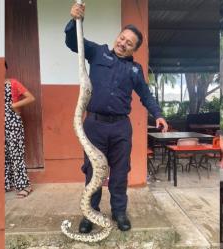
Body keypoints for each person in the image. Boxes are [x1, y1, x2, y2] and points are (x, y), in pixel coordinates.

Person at [66, 3, 168, 233]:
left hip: (121, 127)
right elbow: (74, 43)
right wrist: (74, 22)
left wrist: (158, 114)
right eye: (122, 38)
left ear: (134, 50)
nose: (122, 43)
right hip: (95, 125)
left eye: (129, 43)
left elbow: (145, 95)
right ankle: (90, 214)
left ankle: (119, 212)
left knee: (120, 173)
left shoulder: (135, 71)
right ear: (117, 37)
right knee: (93, 171)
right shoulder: (98, 52)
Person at [4, 62, 36, 198]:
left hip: (12, 123)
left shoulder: (13, 83)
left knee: (16, 153)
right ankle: (7, 183)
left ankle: (24, 185)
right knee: (4, 155)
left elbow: (31, 98)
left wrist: (12, 105)